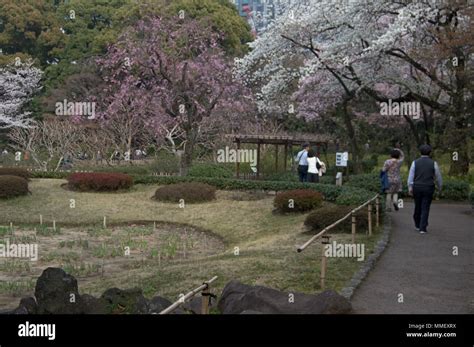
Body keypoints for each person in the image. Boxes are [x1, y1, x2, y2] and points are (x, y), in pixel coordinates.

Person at [407, 144, 442, 234]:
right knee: (425, 207)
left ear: (420, 152)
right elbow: (438, 177)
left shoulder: (415, 162)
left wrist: (410, 187)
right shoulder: (433, 163)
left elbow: (411, 176)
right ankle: (423, 227)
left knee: (417, 206)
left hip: (417, 187)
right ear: (430, 153)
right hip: (428, 187)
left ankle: (417, 224)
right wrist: (439, 187)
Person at [382, 146, 404, 212]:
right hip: (397, 179)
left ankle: (388, 208)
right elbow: (402, 156)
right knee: (395, 192)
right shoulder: (399, 162)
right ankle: (395, 202)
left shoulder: (387, 162)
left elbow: (383, 170)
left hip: (389, 179)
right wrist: (398, 149)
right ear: (398, 155)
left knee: (389, 193)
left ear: (391, 155)